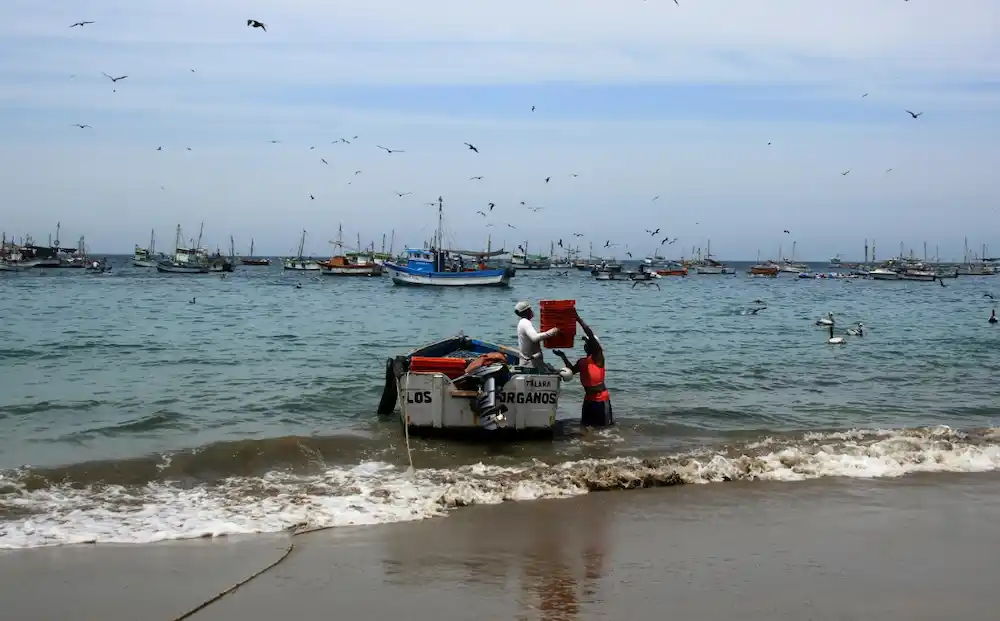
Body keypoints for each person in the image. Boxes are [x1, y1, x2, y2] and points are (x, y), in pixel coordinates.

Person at [553, 310, 613, 428]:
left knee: (605, 430)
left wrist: (578, 319)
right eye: (585, 343)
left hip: (601, 399)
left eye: (588, 342)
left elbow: (590, 335)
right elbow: (571, 371)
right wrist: (563, 356)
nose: (586, 344)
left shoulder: (598, 358)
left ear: (594, 345)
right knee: (586, 427)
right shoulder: (582, 362)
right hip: (588, 399)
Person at [514, 301, 560, 370]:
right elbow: (535, 337)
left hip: (529, 361)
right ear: (526, 311)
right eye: (529, 309)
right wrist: (551, 332)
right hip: (530, 365)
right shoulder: (525, 323)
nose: (531, 311)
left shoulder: (522, 322)